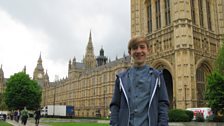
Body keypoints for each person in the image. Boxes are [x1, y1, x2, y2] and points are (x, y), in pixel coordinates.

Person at [110, 35, 170, 126]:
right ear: (130, 52)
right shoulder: (121, 78)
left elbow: (163, 105)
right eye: (135, 48)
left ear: (148, 50)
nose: (139, 51)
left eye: (142, 47)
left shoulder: (157, 77)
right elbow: (115, 106)